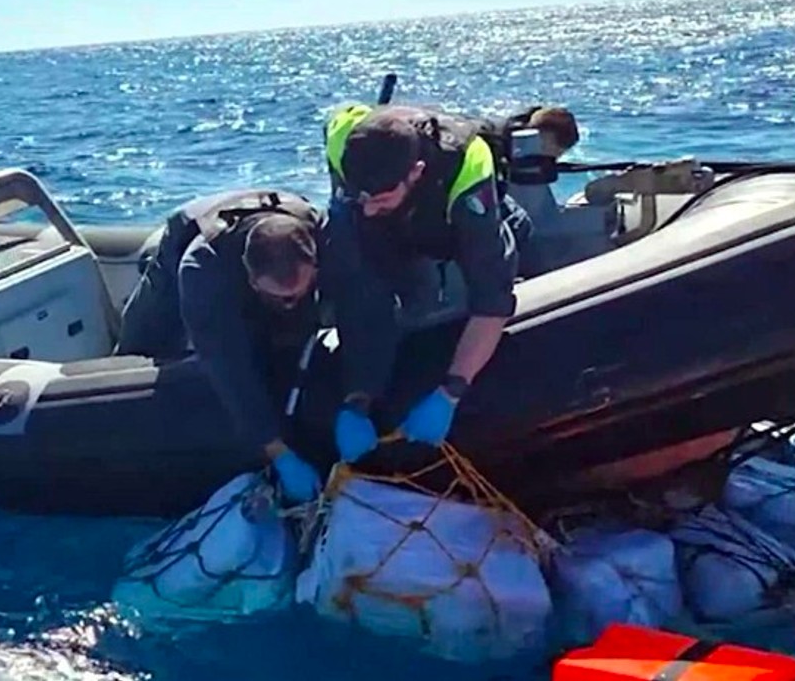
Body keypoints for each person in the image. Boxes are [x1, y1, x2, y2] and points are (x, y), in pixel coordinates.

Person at [320, 102, 546, 462]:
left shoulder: (468, 166)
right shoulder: (343, 139)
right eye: (362, 197)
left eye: (379, 199)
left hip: (448, 214)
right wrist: (357, 398)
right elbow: (358, 292)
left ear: (415, 173)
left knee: (501, 259)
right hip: (392, 216)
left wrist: (450, 394)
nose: (369, 208)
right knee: (356, 264)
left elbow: (492, 300)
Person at [115, 189, 327, 503]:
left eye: (297, 293)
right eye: (281, 297)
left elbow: (364, 314)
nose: (290, 304)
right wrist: (278, 452)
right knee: (141, 342)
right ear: (251, 280)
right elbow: (229, 366)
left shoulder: (326, 237)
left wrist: (358, 398)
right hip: (189, 236)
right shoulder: (202, 269)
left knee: (291, 334)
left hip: (280, 215)